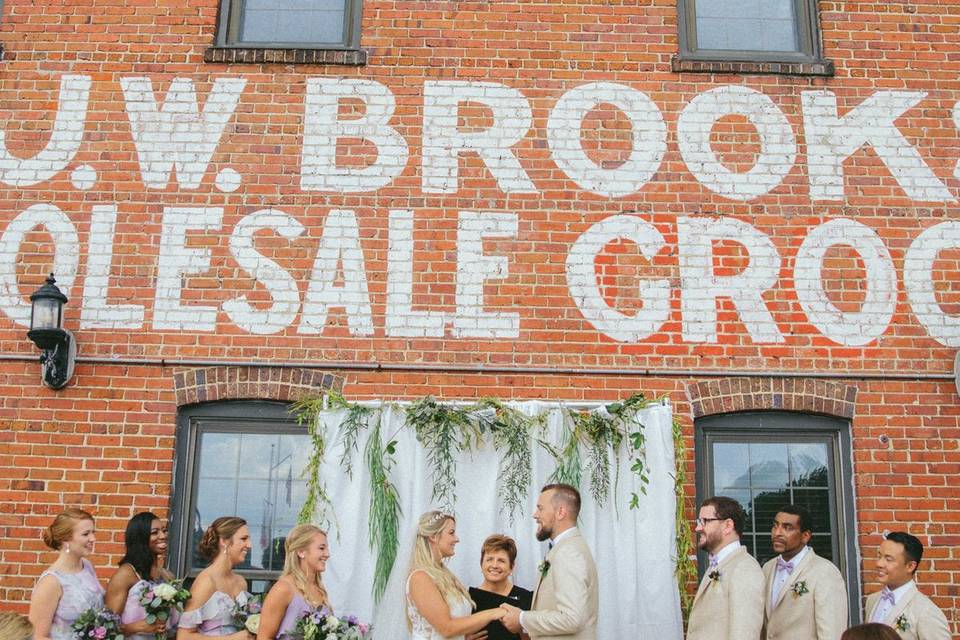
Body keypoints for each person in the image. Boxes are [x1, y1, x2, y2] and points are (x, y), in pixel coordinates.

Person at [500, 483, 598, 640]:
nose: (535, 515)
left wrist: (522, 618)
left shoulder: (568, 552)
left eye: (540, 508)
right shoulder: (565, 548)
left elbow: (572, 619)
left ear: (560, 512)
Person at [406, 510, 506, 639]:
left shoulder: (445, 575)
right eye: (451, 533)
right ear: (433, 536)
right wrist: (495, 613)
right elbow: (446, 628)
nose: (457, 539)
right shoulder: (420, 578)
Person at [761, 504, 848, 640]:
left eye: (787, 527)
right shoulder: (767, 568)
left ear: (805, 536)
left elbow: (831, 633)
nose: (777, 533)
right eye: (775, 525)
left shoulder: (825, 572)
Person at [686, 496, 763, 640]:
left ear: (728, 525)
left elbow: (744, 634)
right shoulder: (718, 564)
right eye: (699, 521)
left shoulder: (745, 569)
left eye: (705, 521)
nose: (698, 528)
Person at [29, 508, 105, 640]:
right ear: (65, 540)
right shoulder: (51, 582)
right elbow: (37, 636)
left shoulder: (86, 566)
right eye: (86, 534)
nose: (93, 538)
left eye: (93, 532)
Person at [863, 532, 950, 640]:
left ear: (910, 566)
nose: (879, 564)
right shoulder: (872, 601)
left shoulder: (926, 611)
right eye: (879, 556)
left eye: (888, 559)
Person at [177, 516, 253, 639]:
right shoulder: (206, 581)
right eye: (243, 539)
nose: (249, 545)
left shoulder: (241, 582)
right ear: (224, 541)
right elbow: (183, 636)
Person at [106, 512, 178, 639]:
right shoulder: (126, 574)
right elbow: (106, 628)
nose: (163, 536)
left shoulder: (168, 576)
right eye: (155, 532)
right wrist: (138, 627)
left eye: (164, 530)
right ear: (140, 537)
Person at [256, 524, 331, 639]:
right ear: (301, 552)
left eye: (326, 548)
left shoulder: (319, 589)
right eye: (321, 548)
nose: (327, 554)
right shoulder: (283, 589)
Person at [467, 534, 533, 640]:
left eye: (501, 561)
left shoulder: (527, 598)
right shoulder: (467, 599)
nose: (494, 565)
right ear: (481, 563)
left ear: (512, 567)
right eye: (489, 559)